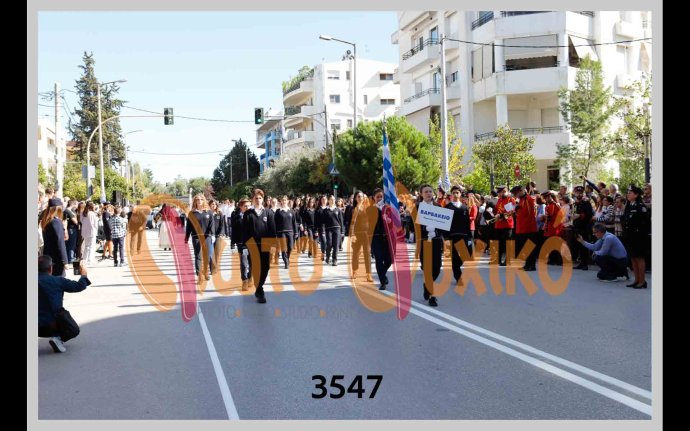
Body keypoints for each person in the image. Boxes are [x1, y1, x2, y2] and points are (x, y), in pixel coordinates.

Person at [38, 255, 91, 353]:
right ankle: (58, 338)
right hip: (51, 325)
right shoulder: (58, 281)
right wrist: (83, 274)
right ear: (50, 268)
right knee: (73, 329)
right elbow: (79, 286)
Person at [414, 184, 446, 306]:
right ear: (421, 194)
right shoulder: (417, 207)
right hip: (424, 241)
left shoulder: (438, 206)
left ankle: (427, 285)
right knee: (427, 268)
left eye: (430, 191)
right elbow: (412, 226)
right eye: (426, 192)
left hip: (436, 241)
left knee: (437, 268)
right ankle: (432, 296)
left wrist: (441, 235)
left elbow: (443, 226)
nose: (428, 193)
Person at [243, 189, 277, 303]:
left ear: (263, 199)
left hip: (266, 244)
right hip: (252, 245)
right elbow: (245, 231)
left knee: (265, 267)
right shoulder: (248, 213)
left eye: (260, 198)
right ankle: (260, 290)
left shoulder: (269, 212)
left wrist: (273, 245)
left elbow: (272, 230)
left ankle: (259, 286)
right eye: (256, 198)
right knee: (256, 267)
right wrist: (244, 247)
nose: (258, 200)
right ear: (253, 199)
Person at [622, 185, 650, 289]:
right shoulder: (629, 205)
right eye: (628, 192)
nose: (628, 194)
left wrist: (641, 235)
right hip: (630, 236)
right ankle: (636, 280)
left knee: (639, 258)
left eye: (630, 193)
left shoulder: (640, 206)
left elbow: (646, 223)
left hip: (639, 237)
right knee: (633, 258)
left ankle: (642, 281)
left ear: (636, 195)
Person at [185, 194, 215, 281]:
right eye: (197, 199)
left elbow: (212, 224)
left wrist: (212, 235)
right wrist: (186, 238)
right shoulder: (191, 213)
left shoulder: (208, 212)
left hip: (207, 237)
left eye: (201, 199)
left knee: (207, 255)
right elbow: (188, 227)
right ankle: (199, 275)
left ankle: (206, 272)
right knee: (198, 256)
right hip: (196, 237)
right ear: (195, 201)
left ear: (204, 200)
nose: (199, 201)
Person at [445, 186, 471, 283]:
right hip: (452, 235)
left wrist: (469, 237)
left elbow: (467, 223)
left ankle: (457, 264)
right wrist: (446, 238)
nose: (455, 194)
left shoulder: (464, 207)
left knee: (467, 254)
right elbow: (445, 224)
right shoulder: (447, 207)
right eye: (454, 192)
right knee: (455, 257)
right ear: (451, 194)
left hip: (463, 234)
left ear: (460, 194)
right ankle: (458, 277)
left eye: (457, 192)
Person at [368, 188, 392, 290]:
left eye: (381, 196)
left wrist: (389, 219)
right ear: (374, 198)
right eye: (377, 196)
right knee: (379, 260)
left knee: (389, 260)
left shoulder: (387, 208)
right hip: (375, 237)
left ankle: (383, 274)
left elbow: (394, 221)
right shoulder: (370, 209)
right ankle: (382, 282)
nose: (379, 198)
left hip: (387, 237)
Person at [349, 191, 374, 282]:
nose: (360, 198)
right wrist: (351, 234)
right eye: (358, 196)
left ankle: (368, 274)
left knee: (367, 253)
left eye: (362, 196)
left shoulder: (367, 208)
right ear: (355, 198)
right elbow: (350, 223)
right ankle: (354, 271)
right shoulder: (353, 209)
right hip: (356, 234)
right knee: (355, 253)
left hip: (366, 234)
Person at [40, 198, 68, 276]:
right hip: (56, 258)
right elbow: (60, 242)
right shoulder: (56, 221)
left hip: (48, 256)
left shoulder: (47, 221)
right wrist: (64, 260)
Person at [513, 185, 538, 271]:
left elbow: (528, 212)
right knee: (525, 247)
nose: (515, 195)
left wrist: (518, 209)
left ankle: (531, 265)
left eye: (516, 193)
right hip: (522, 227)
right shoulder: (522, 199)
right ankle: (527, 264)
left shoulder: (528, 199)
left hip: (528, 227)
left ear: (521, 191)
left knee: (529, 247)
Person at [231, 199, 252, 290]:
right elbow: (233, 230)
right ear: (241, 207)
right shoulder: (236, 217)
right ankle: (244, 280)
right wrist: (232, 244)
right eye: (245, 206)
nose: (247, 208)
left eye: (249, 206)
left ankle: (250, 277)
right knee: (244, 263)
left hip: (252, 243)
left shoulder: (253, 215)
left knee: (252, 262)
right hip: (241, 243)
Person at [494, 185, 516, 266]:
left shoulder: (510, 199)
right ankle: (498, 259)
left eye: (500, 193)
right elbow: (497, 209)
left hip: (507, 224)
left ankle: (507, 260)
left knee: (507, 243)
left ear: (504, 191)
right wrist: (495, 215)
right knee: (499, 243)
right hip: (498, 224)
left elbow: (510, 211)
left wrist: (501, 216)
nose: (499, 194)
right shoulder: (499, 199)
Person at [275, 195, 297, 269]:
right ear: (281, 201)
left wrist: (296, 232)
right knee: (284, 248)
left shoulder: (291, 211)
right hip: (281, 232)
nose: (284, 201)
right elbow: (275, 223)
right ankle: (286, 262)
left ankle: (287, 258)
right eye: (282, 200)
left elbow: (294, 222)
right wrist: (276, 232)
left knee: (290, 247)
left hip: (290, 231)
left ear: (287, 201)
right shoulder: (278, 211)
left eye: (285, 200)